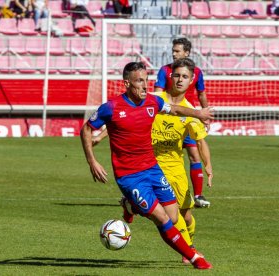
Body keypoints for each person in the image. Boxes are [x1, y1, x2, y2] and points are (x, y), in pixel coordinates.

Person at [81, 62, 213, 269]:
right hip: (129, 176)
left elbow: (175, 110)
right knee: (162, 219)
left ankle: (130, 206)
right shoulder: (111, 107)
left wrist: (199, 114)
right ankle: (194, 257)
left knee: (173, 216)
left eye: (146, 80)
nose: (145, 86)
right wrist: (92, 161)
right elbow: (86, 130)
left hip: (153, 169)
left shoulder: (152, 102)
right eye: (139, 81)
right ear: (126, 83)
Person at [152, 58, 213, 264]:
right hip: (150, 165)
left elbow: (201, 141)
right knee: (170, 215)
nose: (180, 79)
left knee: (186, 216)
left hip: (175, 168)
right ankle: (189, 253)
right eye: (177, 75)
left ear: (191, 81)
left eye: (185, 77)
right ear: (170, 76)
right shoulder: (154, 99)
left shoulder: (191, 112)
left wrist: (208, 166)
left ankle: (190, 244)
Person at [154, 38, 210, 208]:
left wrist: (203, 114)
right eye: (173, 50)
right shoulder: (165, 70)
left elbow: (201, 94)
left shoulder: (197, 72)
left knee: (194, 154)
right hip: (169, 117)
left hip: (189, 119)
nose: (174, 53)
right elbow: (158, 95)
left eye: (177, 51)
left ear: (186, 52)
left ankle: (198, 195)